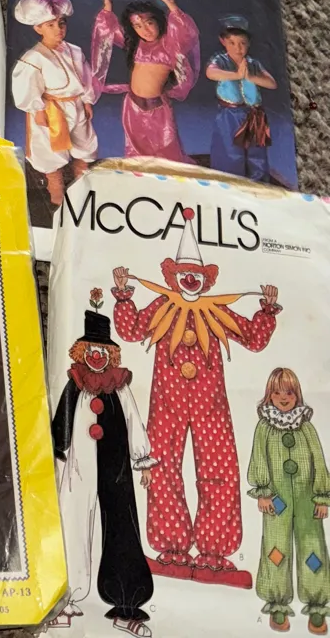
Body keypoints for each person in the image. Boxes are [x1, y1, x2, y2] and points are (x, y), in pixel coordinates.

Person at [112, 209, 282, 584]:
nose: (190, 281)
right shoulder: (162, 306)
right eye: (184, 275)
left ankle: (214, 552)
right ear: (172, 277)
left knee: (219, 472)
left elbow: (253, 338)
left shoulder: (215, 310)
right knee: (161, 469)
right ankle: (171, 547)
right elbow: (131, 330)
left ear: (206, 280)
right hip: (167, 403)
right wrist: (124, 295)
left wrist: (266, 310)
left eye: (196, 277)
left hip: (210, 405)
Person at [51, 296, 156, 636]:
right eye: (91, 350)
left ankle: (126, 604)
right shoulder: (75, 384)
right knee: (72, 523)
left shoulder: (119, 386)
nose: (96, 356)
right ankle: (66, 598)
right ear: (82, 351)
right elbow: (60, 423)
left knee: (122, 527)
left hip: (116, 466)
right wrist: (57, 455)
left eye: (102, 351)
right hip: (78, 466)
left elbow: (133, 420)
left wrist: (142, 460)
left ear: (110, 354)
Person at [248, 368, 330, 634]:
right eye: (277, 392)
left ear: (298, 395)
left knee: (313, 549)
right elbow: (259, 458)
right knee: (276, 548)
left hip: (307, 500)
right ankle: (278, 603)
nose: (283, 397)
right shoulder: (264, 428)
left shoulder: (306, 427)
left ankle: (317, 604)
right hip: (277, 500)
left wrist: (322, 496)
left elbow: (319, 461)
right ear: (269, 396)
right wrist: (263, 492)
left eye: (289, 392)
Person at [10, 0, 98, 207]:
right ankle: (55, 187)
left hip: (75, 104)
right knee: (50, 148)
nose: (58, 29)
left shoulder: (75, 51)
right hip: (51, 109)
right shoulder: (33, 58)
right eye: (50, 25)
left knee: (83, 141)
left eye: (61, 23)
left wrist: (87, 100)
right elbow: (27, 87)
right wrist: (37, 109)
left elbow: (86, 76)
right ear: (38, 27)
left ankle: (81, 180)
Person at [91, 0, 200, 163]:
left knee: (166, 151)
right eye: (137, 26)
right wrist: (108, 7)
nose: (145, 30)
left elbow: (186, 32)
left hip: (157, 109)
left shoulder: (170, 45)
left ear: (159, 21)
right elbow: (108, 30)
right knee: (136, 152)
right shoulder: (136, 44)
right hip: (132, 106)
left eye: (149, 23)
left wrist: (171, 5)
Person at [206, 14, 277, 181]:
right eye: (232, 43)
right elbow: (210, 73)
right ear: (223, 41)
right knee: (230, 149)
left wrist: (250, 77)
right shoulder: (220, 60)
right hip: (230, 114)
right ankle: (230, 181)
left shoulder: (253, 64)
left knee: (256, 150)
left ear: (249, 43)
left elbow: (272, 83)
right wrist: (236, 75)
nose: (238, 48)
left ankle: (258, 182)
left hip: (254, 113)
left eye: (242, 43)